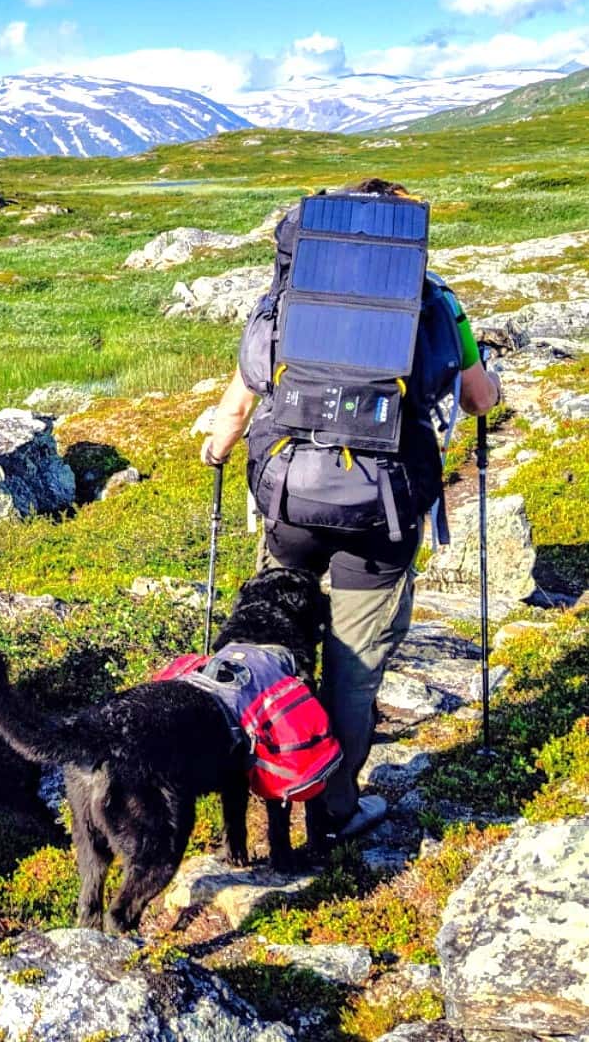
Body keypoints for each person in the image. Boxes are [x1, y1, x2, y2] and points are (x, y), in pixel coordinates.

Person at [199, 178, 501, 850]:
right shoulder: (436, 302)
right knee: (354, 668)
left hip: (289, 504)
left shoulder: (287, 298)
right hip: (380, 516)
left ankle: (259, 779)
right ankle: (334, 810)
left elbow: (242, 397)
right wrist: (486, 376)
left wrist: (217, 448)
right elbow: (478, 400)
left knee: (275, 645)